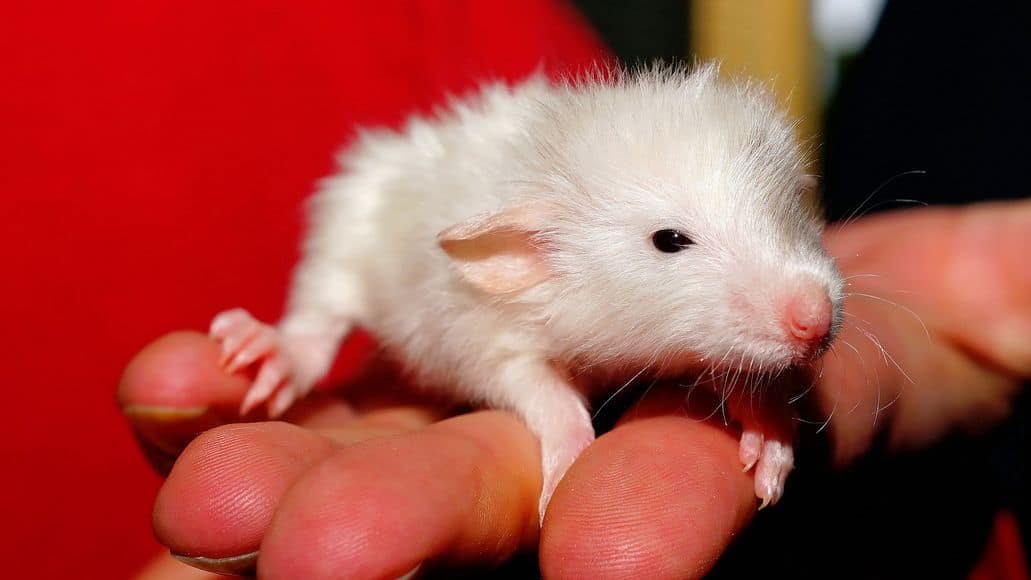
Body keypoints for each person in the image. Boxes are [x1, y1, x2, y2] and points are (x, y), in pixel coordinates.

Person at [122, 197, 1031, 579]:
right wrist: (552, 410)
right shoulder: (515, 260)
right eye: (673, 244)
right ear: (527, 257)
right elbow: (485, 334)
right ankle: (306, 335)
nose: (809, 303)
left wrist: (765, 400)